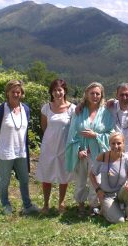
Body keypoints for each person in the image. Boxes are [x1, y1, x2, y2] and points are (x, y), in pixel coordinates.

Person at [0, 79, 39, 216]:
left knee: (24, 179)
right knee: (4, 180)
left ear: (22, 93)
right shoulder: (1, 110)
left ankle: (27, 205)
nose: (16, 94)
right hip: (5, 152)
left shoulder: (26, 109)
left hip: (21, 151)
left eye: (18, 92)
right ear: (7, 93)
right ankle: (5, 205)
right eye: (13, 92)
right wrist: (5, 143)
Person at [66, 82, 114, 217]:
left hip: (98, 153)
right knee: (80, 181)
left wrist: (96, 135)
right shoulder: (79, 111)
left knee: (96, 181)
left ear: (101, 96)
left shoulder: (106, 113)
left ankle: (94, 206)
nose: (94, 96)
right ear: (86, 95)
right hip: (81, 153)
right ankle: (81, 205)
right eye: (92, 93)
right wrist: (78, 149)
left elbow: (112, 133)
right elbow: (72, 133)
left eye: (97, 93)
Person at [36, 79, 76, 214]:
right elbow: (44, 126)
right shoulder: (46, 107)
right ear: (51, 92)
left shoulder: (72, 108)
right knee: (47, 175)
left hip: (64, 147)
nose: (57, 93)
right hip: (49, 147)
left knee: (63, 176)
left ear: (64, 91)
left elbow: (74, 128)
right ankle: (46, 204)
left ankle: (61, 203)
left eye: (60, 90)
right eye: (54, 90)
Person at [90, 132, 128, 223]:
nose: (116, 146)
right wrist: (98, 190)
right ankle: (106, 210)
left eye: (119, 143)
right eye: (113, 143)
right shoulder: (102, 157)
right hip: (107, 195)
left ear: (123, 143)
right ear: (109, 144)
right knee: (119, 221)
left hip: (121, 193)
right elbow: (91, 174)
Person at [109, 83, 128, 160]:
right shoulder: (110, 107)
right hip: (112, 148)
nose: (124, 97)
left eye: (127, 94)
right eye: (121, 95)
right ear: (117, 95)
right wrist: (80, 105)